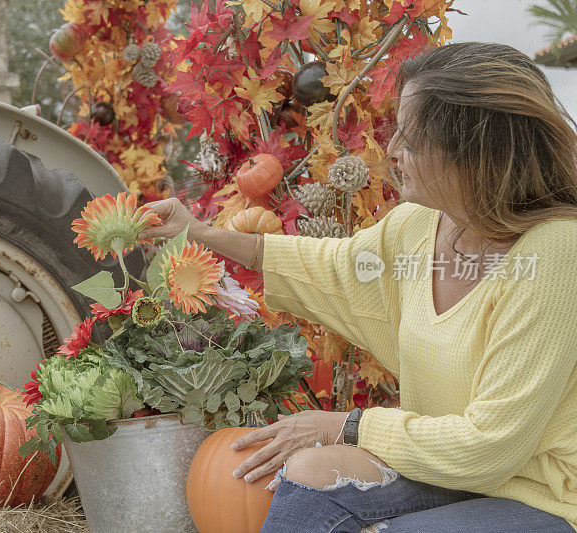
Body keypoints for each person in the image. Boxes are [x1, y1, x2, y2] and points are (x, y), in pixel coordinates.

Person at [139, 42, 577, 532]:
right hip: (450, 474)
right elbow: (328, 267)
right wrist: (197, 232)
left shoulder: (555, 254)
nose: (391, 151)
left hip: (540, 495)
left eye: (410, 139)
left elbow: (490, 448)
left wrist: (342, 426)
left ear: (470, 150)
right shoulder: (419, 226)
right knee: (309, 470)